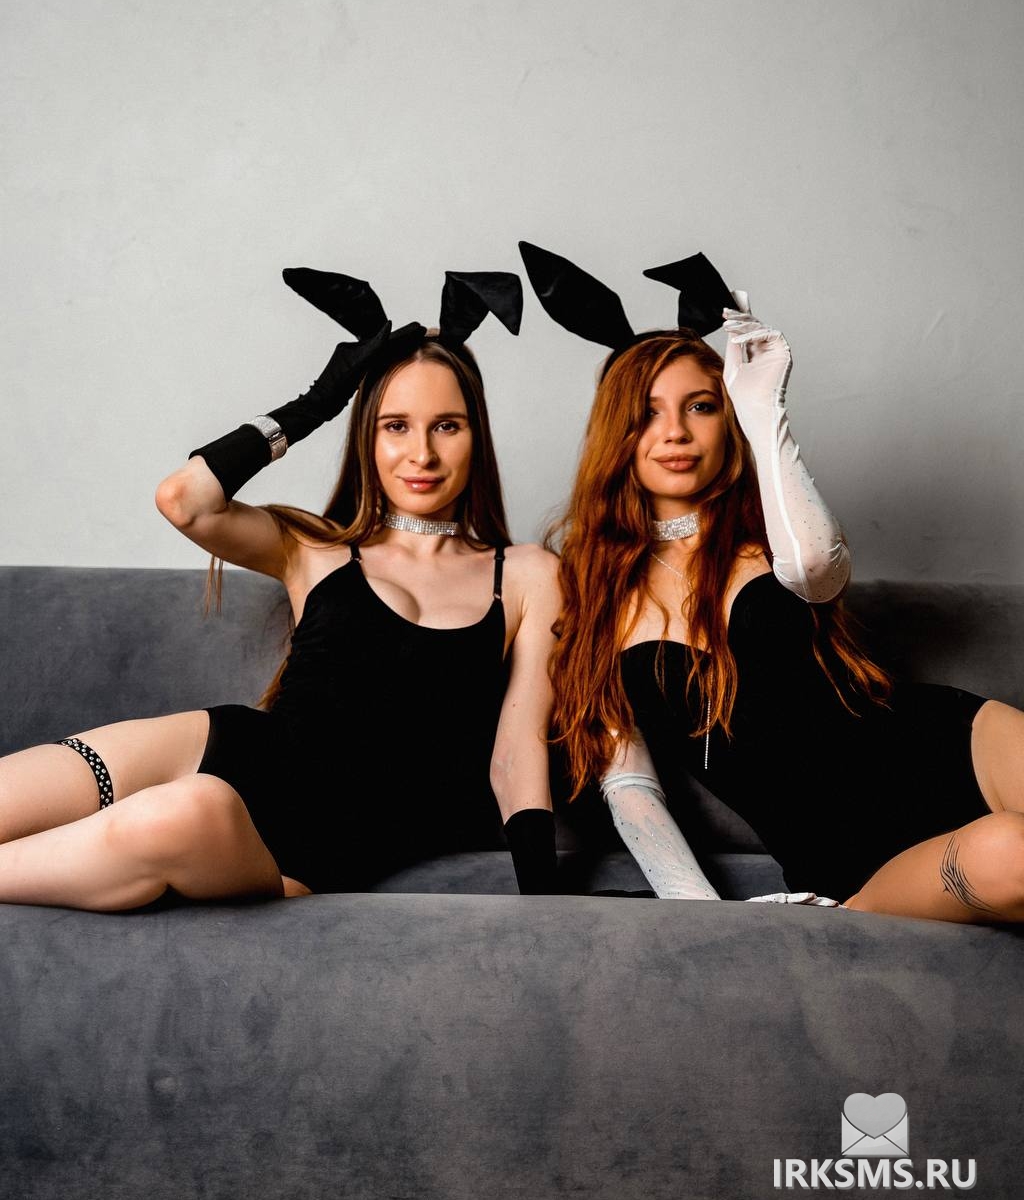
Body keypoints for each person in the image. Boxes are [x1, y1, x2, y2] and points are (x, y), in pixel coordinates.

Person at [0, 266, 561, 910]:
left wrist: (545, 904)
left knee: (179, 813)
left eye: (447, 425)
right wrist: (319, 401)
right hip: (222, 744)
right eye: (396, 425)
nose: (422, 454)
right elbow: (184, 500)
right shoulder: (316, 546)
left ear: (476, 433)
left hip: (312, 840)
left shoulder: (526, 575)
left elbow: (516, 752)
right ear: (367, 434)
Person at [521, 241, 1024, 924]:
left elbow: (817, 566)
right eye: (648, 412)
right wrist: (707, 919)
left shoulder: (772, 536)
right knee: (1014, 852)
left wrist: (762, 410)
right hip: (850, 857)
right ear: (618, 433)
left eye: (701, 406)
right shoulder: (591, 603)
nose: (675, 432)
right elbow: (632, 787)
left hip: (952, 741)